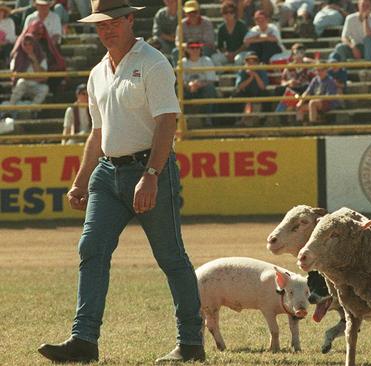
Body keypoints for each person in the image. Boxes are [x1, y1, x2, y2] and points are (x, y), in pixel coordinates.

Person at [36, 0, 205, 363]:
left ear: (131, 19)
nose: (106, 29)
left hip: (148, 169)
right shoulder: (98, 72)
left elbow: (167, 123)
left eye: (113, 21)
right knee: (91, 249)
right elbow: (97, 133)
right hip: (107, 173)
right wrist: (80, 181)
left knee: (170, 256)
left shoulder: (153, 61)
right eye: (100, 24)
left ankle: (191, 343)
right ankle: (83, 341)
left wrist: (151, 175)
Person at [182, 41, 219, 126]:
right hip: (188, 89)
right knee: (178, 90)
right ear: (187, 49)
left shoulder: (207, 60)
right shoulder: (182, 62)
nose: (195, 50)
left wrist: (199, 84)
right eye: (192, 48)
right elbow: (181, 81)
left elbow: (211, 79)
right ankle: (181, 120)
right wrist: (189, 85)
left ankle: (207, 118)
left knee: (210, 88)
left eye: (197, 47)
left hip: (203, 88)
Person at [8, 32, 48, 106]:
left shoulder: (41, 57)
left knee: (45, 89)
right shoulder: (17, 57)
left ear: (34, 45)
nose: (27, 46)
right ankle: (11, 107)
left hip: (35, 85)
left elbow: (44, 77)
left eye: (30, 44)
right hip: (22, 84)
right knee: (21, 82)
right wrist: (31, 77)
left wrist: (34, 60)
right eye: (25, 44)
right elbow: (14, 75)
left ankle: (31, 109)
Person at [175, 0, 216, 64]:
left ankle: (206, 71)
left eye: (194, 12)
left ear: (199, 12)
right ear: (185, 13)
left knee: (207, 50)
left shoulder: (207, 22)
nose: (192, 15)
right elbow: (177, 43)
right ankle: (177, 73)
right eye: (189, 12)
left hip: (202, 49)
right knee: (176, 51)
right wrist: (189, 47)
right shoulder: (181, 24)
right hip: (187, 50)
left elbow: (209, 42)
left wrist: (195, 48)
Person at [233, 52, 269, 124]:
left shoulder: (261, 70)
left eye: (254, 61)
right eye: (248, 61)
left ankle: (263, 119)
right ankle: (238, 120)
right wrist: (251, 78)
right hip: (246, 93)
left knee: (266, 94)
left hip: (258, 92)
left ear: (257, 62)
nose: (251, 63)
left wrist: (255, 75)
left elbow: (263, 87)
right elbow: (239, 86)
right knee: (235, 96)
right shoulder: (242, 71)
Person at [215, 1, 248, 65]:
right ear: (222, 14)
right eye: (226, 12)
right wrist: (227, 53)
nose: (228, 14)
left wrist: (235, 53)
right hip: (227, 54)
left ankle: (237, 75)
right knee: (215, 58)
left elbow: (246, 44)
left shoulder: (242, 25)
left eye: (231, 12)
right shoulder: (221, 28)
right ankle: (222, 73)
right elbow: (220, 45)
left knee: (238, 59)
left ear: (234, 13)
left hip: (241, 53)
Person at [0, 1, 16, 68]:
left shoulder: (9, 22)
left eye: (1, 11)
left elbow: (12, 37)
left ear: (4, 12)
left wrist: (4, 42)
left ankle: (7, 68)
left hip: (6, 45)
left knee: (8, 48)